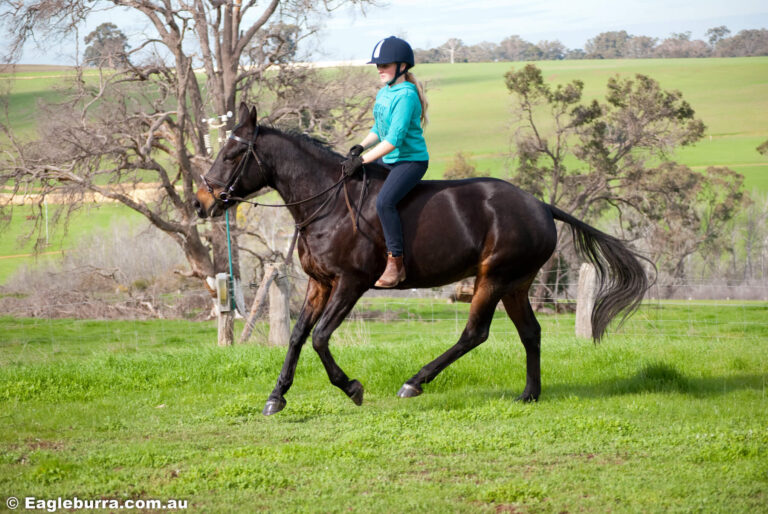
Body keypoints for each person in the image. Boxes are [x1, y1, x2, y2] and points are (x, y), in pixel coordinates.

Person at [342, 36, 430, 288]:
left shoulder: (406, 96)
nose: (380, 69)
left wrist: (362, 161)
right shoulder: (385, 92)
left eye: (385, 65)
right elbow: (380, 128)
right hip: (388, 159)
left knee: (384, 202)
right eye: (378, 65)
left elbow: (394, 140)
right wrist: (361, 145)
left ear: (402, 66)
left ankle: (395, 263)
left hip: (409, 162)